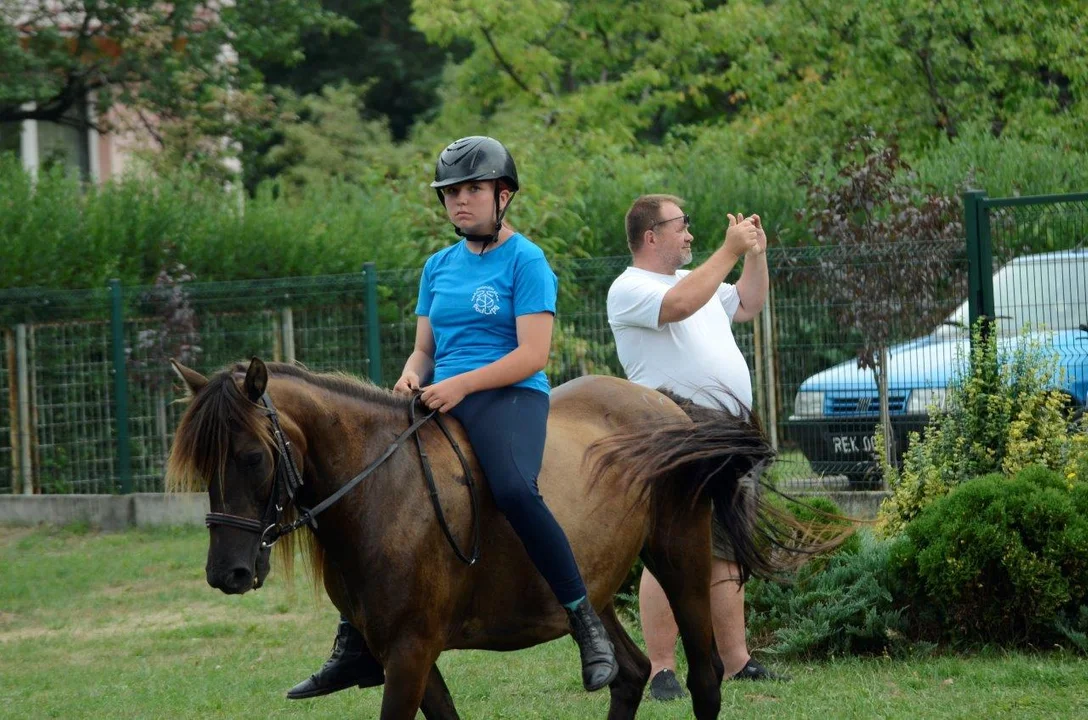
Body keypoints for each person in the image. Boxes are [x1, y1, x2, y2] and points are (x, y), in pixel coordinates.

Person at [287, 136, 618, 700]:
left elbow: (532, 355)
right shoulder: (437, 266)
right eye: (451, 193)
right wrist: (411, 375)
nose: (460, 201)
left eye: (472, 189)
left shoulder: (528, 261)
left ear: (503, 195)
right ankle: (353, 644)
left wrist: (460, 384)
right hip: (440, 393)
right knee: (376, 496)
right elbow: (425, 348)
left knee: (514, 490)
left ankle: (584, 620)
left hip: (508, 396)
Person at [605, 193, 785, 701]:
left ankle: (737, 661)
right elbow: (679, 307)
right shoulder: (630, 288)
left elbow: (748, 304)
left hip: (726, 438)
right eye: (681, 226)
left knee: (727, 552)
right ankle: (662, 667)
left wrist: (755, 253)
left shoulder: (696, 279)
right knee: (670, 553)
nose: (689, 235)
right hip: (674, 438)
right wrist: (728, 251)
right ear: (650, 236)